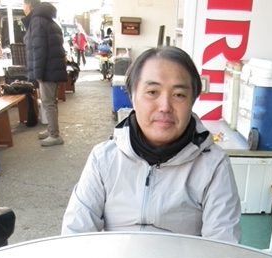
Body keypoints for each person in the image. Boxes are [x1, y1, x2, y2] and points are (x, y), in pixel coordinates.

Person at [61, 46, 242, 242]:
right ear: (132, 96)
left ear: (192, 101)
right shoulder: (103, 158)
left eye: (179, 94)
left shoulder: (214, 165)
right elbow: (76, 236)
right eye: (152, 92)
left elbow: (223, 246)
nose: (165, 107)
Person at [23, 0, 67, 147]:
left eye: (23, 6)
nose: (23, 9)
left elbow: (39, 50)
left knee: (48, 103)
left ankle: (54, 135)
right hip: (53, 68)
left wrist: (38, 74)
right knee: (51, 102)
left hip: (47, 70)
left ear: (29, 7)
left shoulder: (37, 22)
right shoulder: (48, 21)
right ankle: (51, 130)